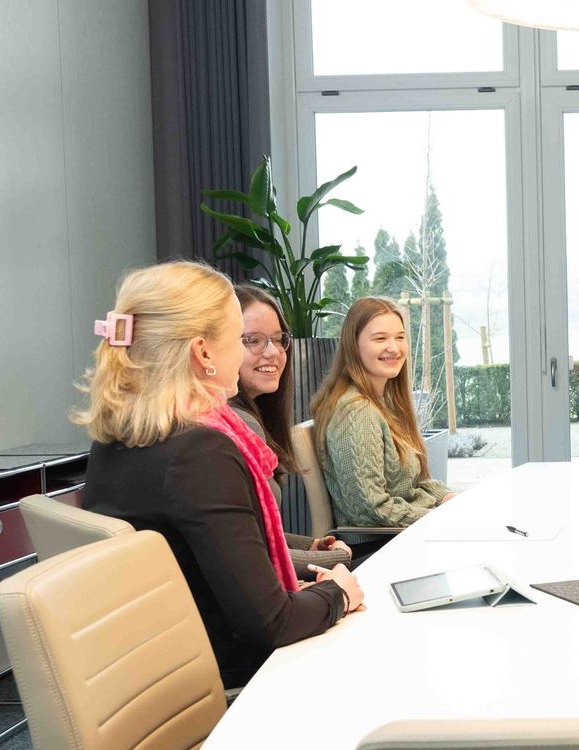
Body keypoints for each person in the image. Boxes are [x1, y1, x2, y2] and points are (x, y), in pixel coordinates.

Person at [77, 260, 364, 690]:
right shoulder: (200, 452)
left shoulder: (118, 438)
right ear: (203, 353)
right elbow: (274, 624)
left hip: (158, 672)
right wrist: (339, 591)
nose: (246, 352)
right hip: (224, 679)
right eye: (238, 339)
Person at [230, 284, 352, 578]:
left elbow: (245, 536)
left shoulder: (250, 417)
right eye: (253, 340)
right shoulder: (235, 425)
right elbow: (251, 557)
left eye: (277, 339)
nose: (272, 352)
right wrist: (339, 560)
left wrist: (307, 545)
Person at [312, 296, 454, 528]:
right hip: (383, 546)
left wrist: (449, 499)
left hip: (407, 535)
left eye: (400, 337)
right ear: (353, 345)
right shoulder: (357, 412)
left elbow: (415, 484)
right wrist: (441, 519)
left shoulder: (382, 402)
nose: (394, 347)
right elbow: (369, 510)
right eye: (380, 339)